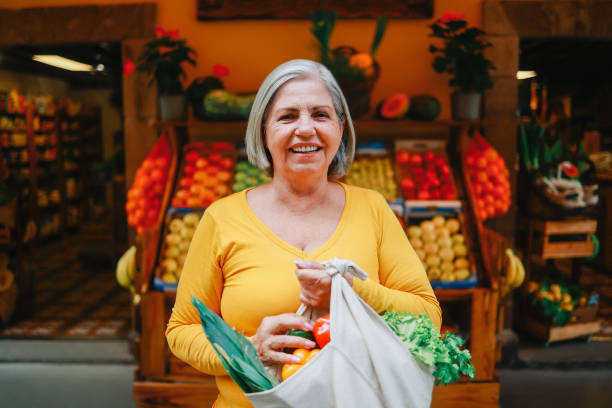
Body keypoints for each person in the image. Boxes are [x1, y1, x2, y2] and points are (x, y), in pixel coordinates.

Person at [166, 59, 441, 408]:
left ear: (341, 128)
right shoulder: (223, 218)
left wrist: (350, 291)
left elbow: (427, 315)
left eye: (321, 115)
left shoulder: (373, 210)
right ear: (264, 130)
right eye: (287, 116)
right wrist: (249, 350)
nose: (306, 129)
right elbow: (181, 330)